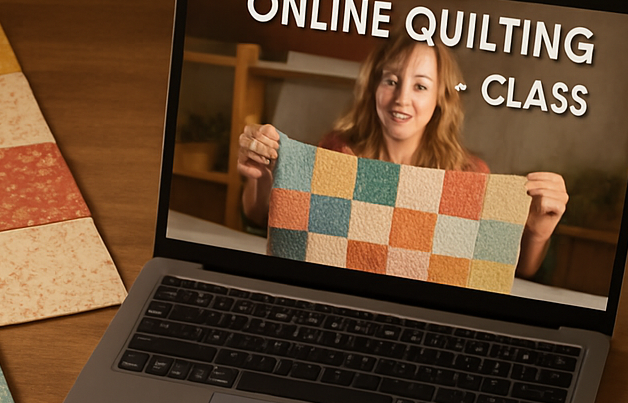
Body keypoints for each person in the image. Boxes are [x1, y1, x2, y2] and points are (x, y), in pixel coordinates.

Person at [237, 28, 568, 278]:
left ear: (440, 98)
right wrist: (261, 177)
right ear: (374, 87)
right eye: (391, 81)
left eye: (420, 86)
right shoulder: (337, 152)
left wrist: (538, 232)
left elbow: (506, 271)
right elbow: (268, 223)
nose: (401, 99)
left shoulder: (470, 174)